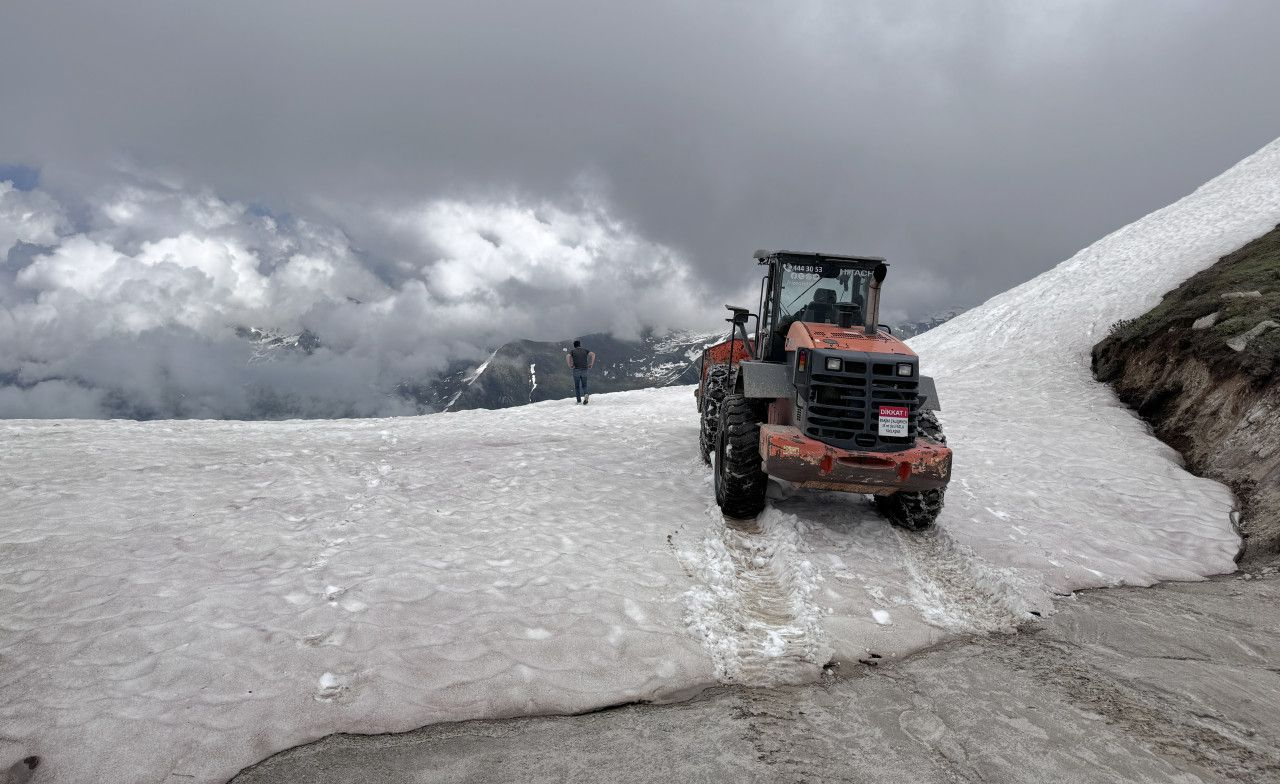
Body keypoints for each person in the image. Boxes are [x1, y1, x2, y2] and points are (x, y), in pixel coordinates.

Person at [566, 339, 596, 404]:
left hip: (576, 370)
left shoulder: (572, 351)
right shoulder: (585, 350)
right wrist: (591, 364)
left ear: (574, 346)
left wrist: (570, 365)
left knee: (577, 386)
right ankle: (586, 394)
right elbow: (593, 354)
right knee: (584, 385)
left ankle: (579, 401)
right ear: (580, 345)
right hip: (584, 369)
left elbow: (568, 356)